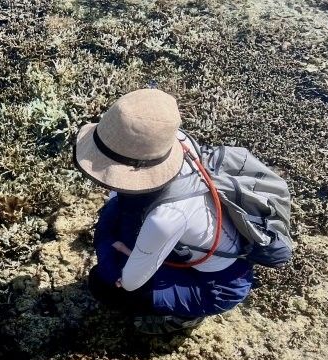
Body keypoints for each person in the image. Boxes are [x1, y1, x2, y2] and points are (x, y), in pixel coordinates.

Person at [73, 88, 254, 334]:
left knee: (105, 285)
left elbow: (129, 282)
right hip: (196, 245)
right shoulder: (171, 141)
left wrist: (110, 249)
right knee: (114, 223)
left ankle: (185, 316)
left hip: (219, 285)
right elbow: (119, 197)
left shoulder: (165, 218)